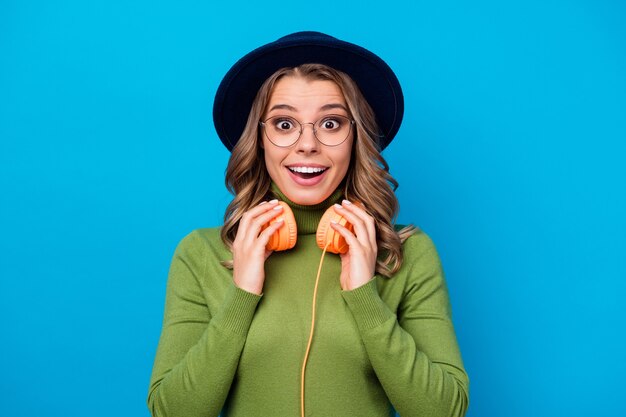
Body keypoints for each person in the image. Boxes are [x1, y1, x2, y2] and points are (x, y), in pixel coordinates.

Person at [147, 31, 469, 417]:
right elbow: (172, 412)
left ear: (356, 139)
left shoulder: (408, 253)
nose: (307, 144)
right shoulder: (200, 253)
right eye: (284, 124)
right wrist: (243, 294)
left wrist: (365, 296)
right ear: (259, 139)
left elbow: (444, 411)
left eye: (331, 124)